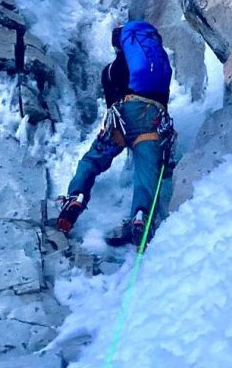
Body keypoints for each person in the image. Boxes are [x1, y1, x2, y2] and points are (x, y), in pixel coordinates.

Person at [57, 20, 177, 246]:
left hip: (121, 118)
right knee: (146, 175)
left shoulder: (111, 71)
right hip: (153, 120)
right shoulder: (159, 67)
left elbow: (111, 105)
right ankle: (140, 216)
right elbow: (164, 100)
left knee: (92, 160)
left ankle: (77, 196)